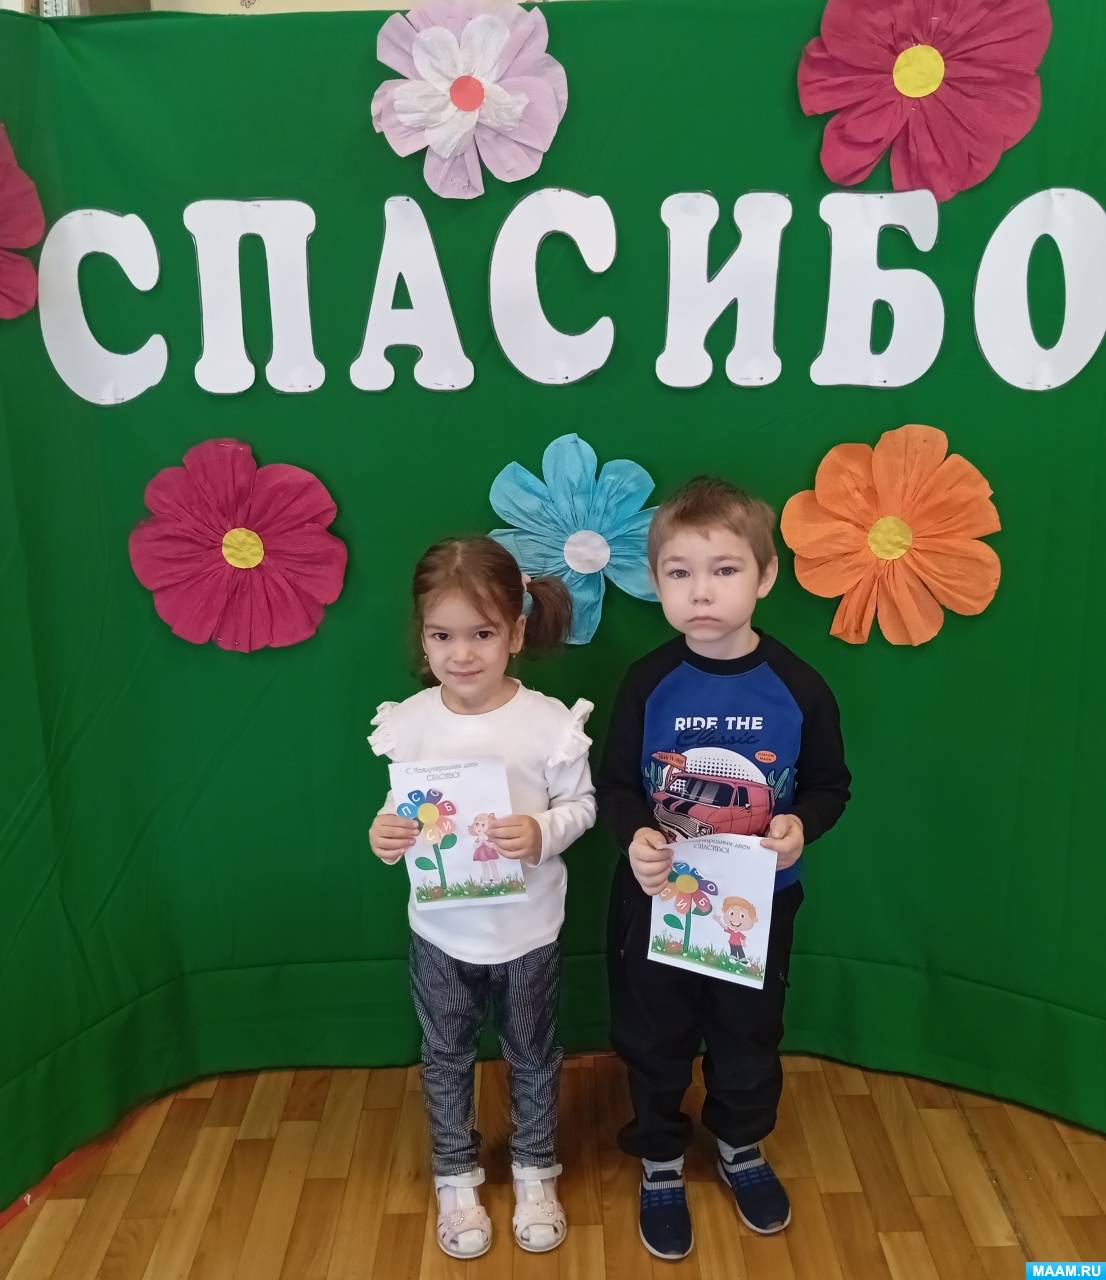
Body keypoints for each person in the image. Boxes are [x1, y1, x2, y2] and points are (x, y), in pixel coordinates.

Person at [597, 476, 850, 1259]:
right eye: (679, 572)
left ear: (765, 576)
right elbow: (615, 787)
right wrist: (637, 835)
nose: (700, 591)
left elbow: (830, 786)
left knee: (748, 1034)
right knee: (654, 1033)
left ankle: (740, 1145)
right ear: (656, 581)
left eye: (724, 569)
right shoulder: (646, 682)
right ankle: (660, 1157)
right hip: (656, 901)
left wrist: (800, 827)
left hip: (759, 905)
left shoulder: (799, 687)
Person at [369, 536, 596, 1260]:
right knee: (445, 1055)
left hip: (528, 930)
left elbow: (582, 805)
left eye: (482, 634)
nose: (462, 654)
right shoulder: (409, 722)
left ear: (516, 634)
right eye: (442, 636)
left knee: (532, 1053)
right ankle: (455, 1176)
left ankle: (534, 1169)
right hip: (441, 932)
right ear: (422, 636)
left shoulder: (548, 723)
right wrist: (386, 833)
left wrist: (541, 832)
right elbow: (401, 811)